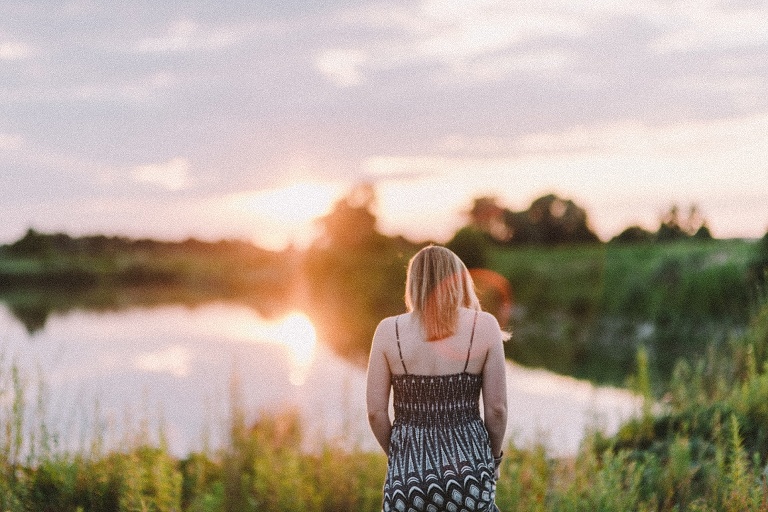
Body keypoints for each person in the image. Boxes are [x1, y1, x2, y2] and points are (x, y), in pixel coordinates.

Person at [366, 245, 508, 512]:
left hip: (408, 482)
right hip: (470, 476)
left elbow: (376, 414)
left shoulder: (387, 331)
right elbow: (496, 410)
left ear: (413, 284)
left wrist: (402, 458)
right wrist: (494, 460)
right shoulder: (485, 325)